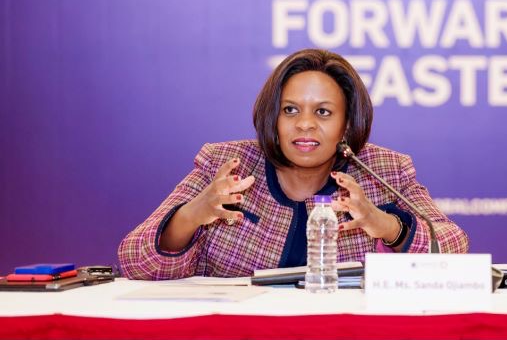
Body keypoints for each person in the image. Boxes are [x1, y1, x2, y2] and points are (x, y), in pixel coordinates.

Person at [118, 49, 468, 279]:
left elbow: (454, 250)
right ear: (273, 118)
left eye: (323, 112)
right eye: (290, 110)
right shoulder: (226, 165)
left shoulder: (385, 170)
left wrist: (387, 226)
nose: (304, 124)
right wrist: (192, 215)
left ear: (347, 124)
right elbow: (135, 261)